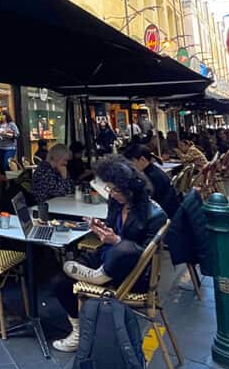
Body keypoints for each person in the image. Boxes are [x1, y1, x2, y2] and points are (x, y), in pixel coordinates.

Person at [51, 156, 167, 352]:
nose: (112, 194)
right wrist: (101, 230)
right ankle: (78, 332)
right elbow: (113, 231)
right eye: (110, 189)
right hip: (108, 256)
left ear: (132, 189)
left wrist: (117, 241)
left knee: (125, 248)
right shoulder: (117, 203)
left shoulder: (154, 214)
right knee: (59, 282)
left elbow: (144, 255)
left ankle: (98, 277)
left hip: (132, 274)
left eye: (116, 190)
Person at [123, 144, 181, 219]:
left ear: (142, 159)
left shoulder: (149, 178)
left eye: (131, 162)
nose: (130, 166)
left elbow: (145, 202)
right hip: (171, 211)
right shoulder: (154, 171)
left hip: (163, 216)